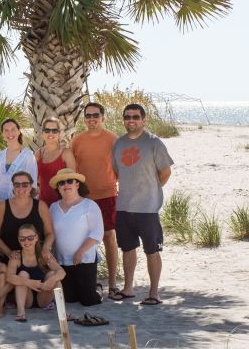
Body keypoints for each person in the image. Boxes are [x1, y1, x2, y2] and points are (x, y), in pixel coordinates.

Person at [112, 103, 174, 305]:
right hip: (124, 206)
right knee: (127, 249)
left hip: (147, 208)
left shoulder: (154, 143)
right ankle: (128, 289)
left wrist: (152, 189)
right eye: (127, 117)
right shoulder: (118, 144)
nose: (131, 120)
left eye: (135, 117)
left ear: (143, 120)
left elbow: (165, 172)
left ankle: (154, 293)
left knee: (152, 250)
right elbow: (117, 172)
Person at [71, 102, 119, 297]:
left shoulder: (113, 139)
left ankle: (113, 283)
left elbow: (120, 167)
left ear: (103, 117)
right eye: (88, 115)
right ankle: (87, 281)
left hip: (107, 195)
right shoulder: (77, 140)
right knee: (85, 240)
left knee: (109, 237)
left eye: (95, 115)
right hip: (83, 197)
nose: (92, 119)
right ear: (84, 119)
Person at [49, 168, 104, 306]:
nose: (66, 185)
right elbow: (51, 234)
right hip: (62, 262)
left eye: (69, 181)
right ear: (58, 187)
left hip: (84, 260)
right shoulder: (53, 208)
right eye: (61, 183)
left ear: (77, 184)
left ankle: (98, 289)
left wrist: (80, 252)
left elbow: (97, 233)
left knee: (88, 301)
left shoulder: (89, 205)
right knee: (70, 299)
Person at [0, 171, 54, 263]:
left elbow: (50, 234)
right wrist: (9, 253)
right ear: (13, 186)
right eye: (17, 185)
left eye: (25, 185)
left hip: (37, 260)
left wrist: (45, 249)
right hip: (9, 261)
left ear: (31, 186)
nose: (21, 188)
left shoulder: (41, 206)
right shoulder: (2, 206)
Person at [6, 224, 65, 322]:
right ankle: (21, 312)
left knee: (53, 275)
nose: (26, 241)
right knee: (23, 274)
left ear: (36, 238)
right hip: (26, 300)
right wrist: (29, 282)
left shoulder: (43, 255)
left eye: (30, 238)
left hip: (43, 297)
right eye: (22, 239)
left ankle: (63, 312)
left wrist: (52, 279)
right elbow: (9, 277)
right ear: (18, 239)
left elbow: (62, 272)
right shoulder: (16, 257)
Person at [0, 118, 37, 207]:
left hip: (19, 205)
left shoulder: (28, 155)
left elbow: (33, 184)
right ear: (2, 134)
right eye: (6, 130)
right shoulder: (0, 155)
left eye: (13, 129)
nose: (10, 133)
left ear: (19, 131)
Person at [36, 117, 76, 206]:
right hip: (43, 204)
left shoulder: (66, 153)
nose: (51, 133)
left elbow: (73, 180)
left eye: (54, 131)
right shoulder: (38, 154)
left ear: (59, 134)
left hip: (63, 204)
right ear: (42, 133)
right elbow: (33, 179)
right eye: (47, 130)